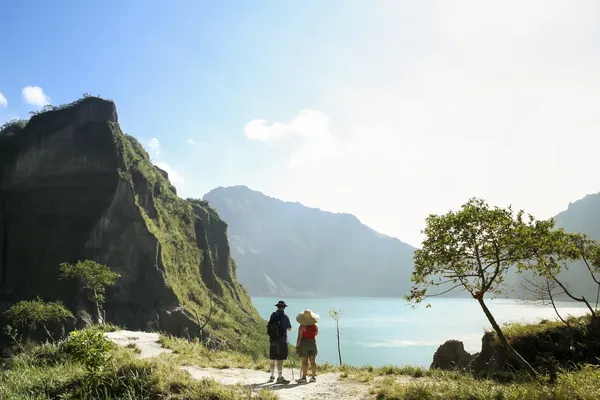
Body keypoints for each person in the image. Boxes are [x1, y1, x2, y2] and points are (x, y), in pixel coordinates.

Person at [267, 300, 292, 384]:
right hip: (281, 340)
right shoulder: (285, 317)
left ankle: (271, 376)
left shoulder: (272, 315)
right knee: (280, 359)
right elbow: (289, 328)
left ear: (277, 307)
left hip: (273, 339)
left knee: (272, 358)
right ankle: (280, 377)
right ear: (284, 308)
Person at [295, 309, 319, 383]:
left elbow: (299, 338)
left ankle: (304, 378)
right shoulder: (315, 325)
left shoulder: (302, 327)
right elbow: (316, 334)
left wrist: (297, 346)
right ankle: (313, 377)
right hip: (313, 343)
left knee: (305, 362)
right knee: (313, 361)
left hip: (304, 344)